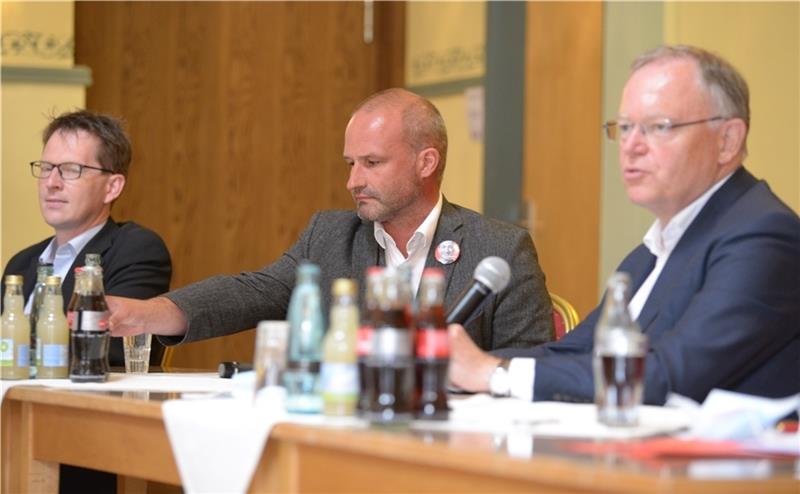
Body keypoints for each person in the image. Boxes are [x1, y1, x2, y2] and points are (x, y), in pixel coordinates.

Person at [449, 45, 800, 405]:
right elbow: (572, 352)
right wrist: (455, 365)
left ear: (727, 141)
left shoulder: (764, 237)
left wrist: (495, 374)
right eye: (626, 127)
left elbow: (671, 376)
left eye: (658, 127)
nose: (631, 146)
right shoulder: (650, 252)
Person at [107, 88, 554, 350]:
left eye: (372, 163)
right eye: (349, 163)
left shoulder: (498, 248)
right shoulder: (330, 236)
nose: (353, 181)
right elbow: (252, 292)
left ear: (426, 162)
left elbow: (532, 366)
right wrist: (150, 313)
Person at [2, 110, 172, 366]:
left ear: (112, 187)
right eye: (47, 168)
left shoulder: (136, 250)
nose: (51, 182)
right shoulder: (22, 264)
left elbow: (108, 353)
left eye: (71, 170)